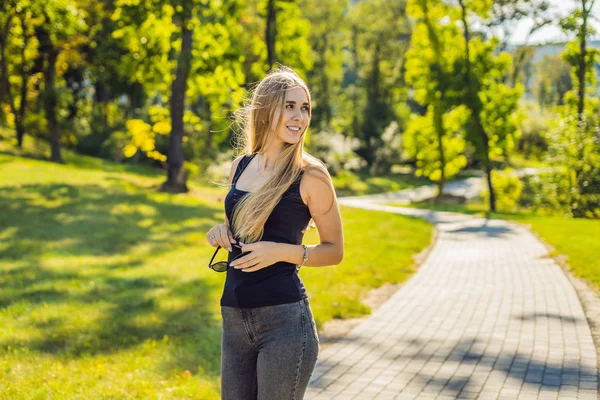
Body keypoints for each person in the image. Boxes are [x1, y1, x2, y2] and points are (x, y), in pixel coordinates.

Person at [205, 65, 344, 400]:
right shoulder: (241, 166)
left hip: (284, 323)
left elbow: (334, 250)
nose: (300, 117)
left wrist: (281, 251)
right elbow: (238, 227)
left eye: (305, 108)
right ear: (267, 109)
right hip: (234, 319)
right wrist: (219, 231)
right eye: (290, 106)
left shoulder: (310, 175)